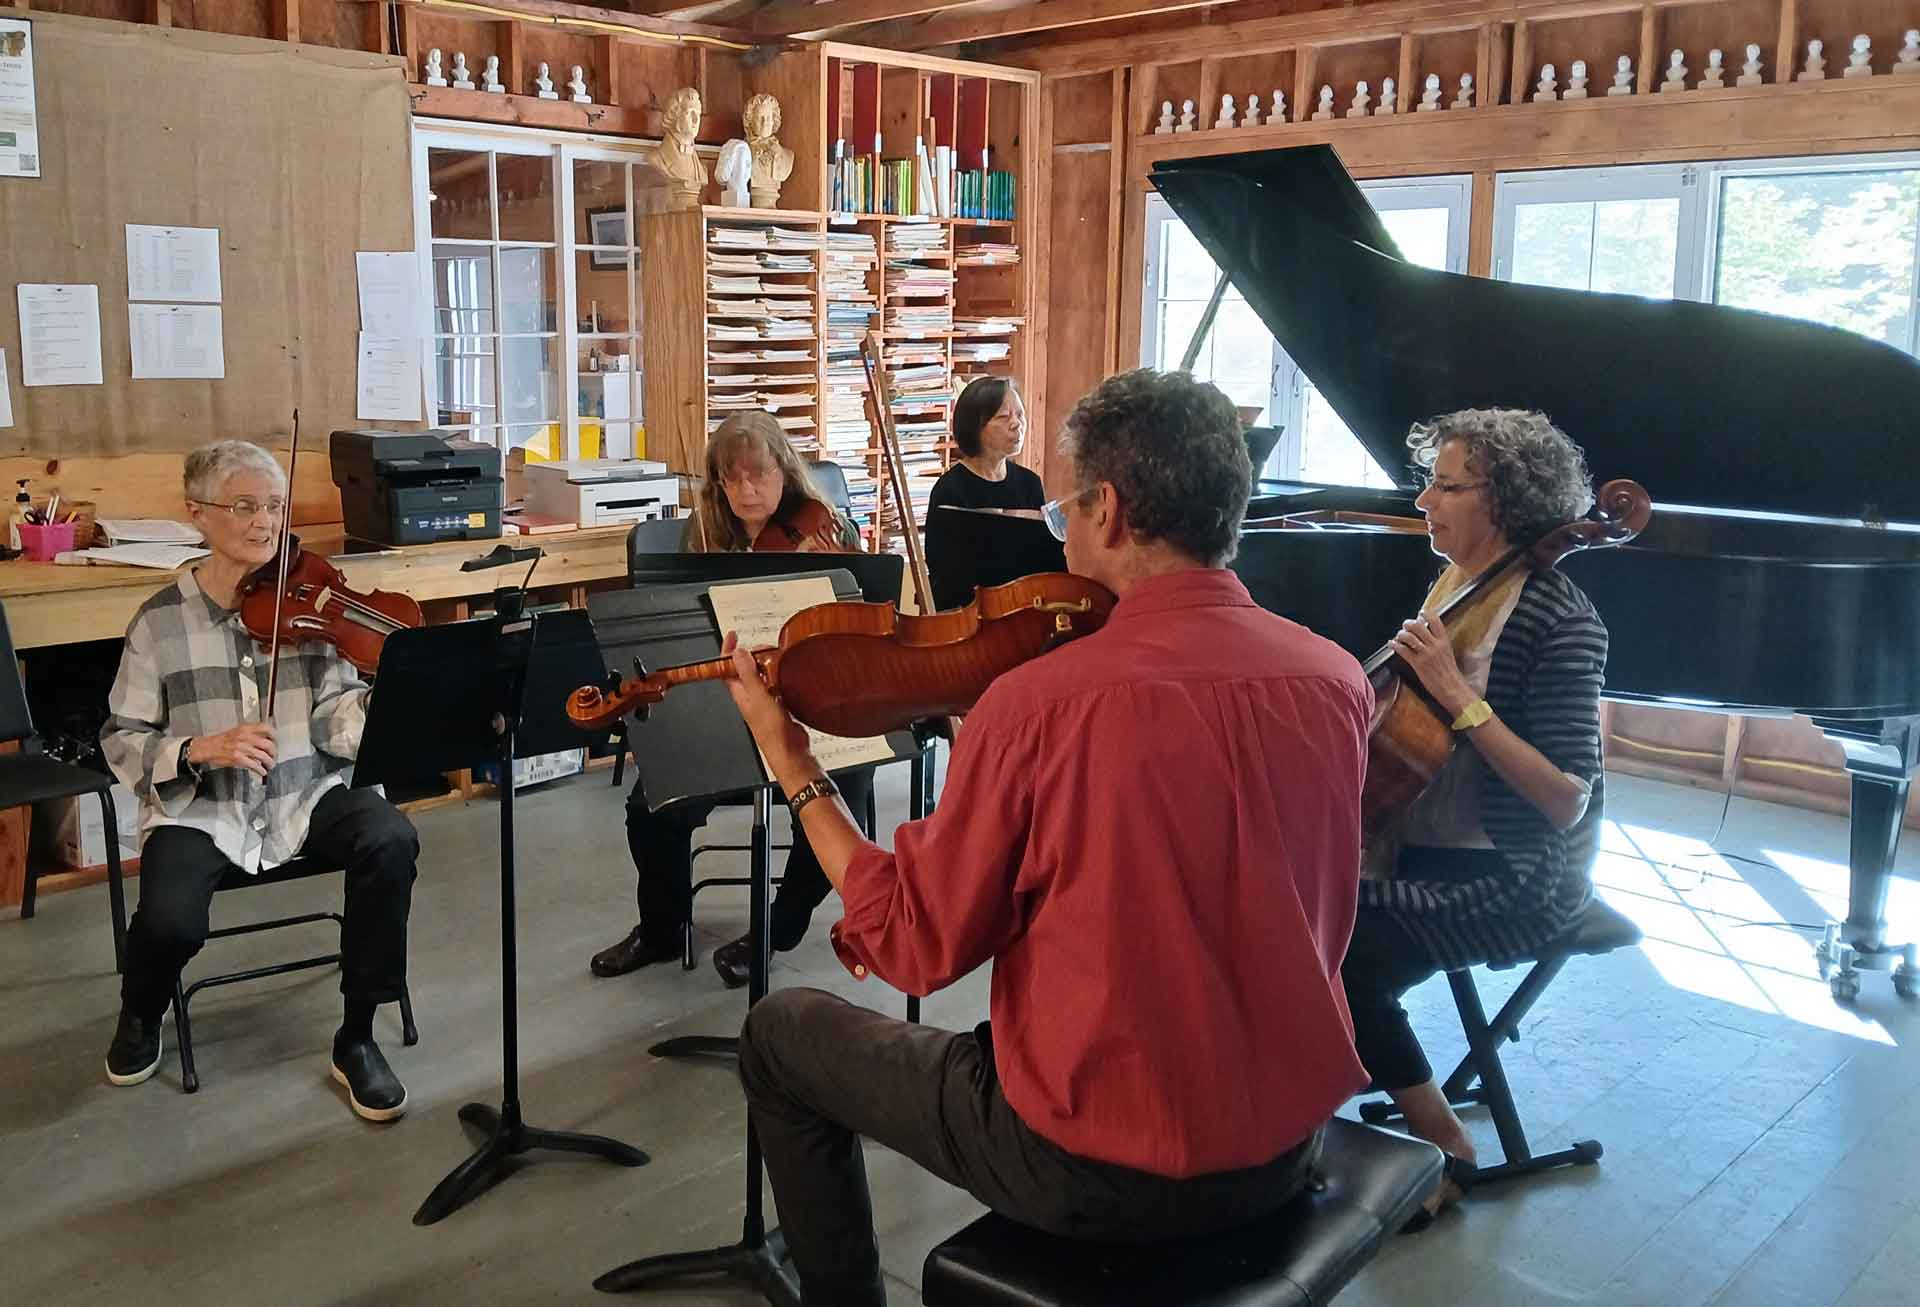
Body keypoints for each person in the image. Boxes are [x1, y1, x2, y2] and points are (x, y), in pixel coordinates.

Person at [715, 369, 1375, 1305]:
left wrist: (792, 763)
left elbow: (914, 942)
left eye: (1068, 503)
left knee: (783, 1032)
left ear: (1106, 509)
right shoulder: (1336, 679)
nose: (1062, 524)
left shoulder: (1036, 705)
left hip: (1096, 1162)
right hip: (1285, 1140)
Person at [1343, 408, 1608, 1225]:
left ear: (1504, 501)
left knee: (1342, 953)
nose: (1424, 500)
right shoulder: (1456, 584)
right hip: (1421, 844)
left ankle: (1446, 1142)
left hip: (1512, 874)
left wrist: (1459, 697)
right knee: (1285, 913)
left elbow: (1568, 798)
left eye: (1446, 486)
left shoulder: (1562, 621)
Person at [100, 440, 418, 1122]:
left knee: (391, 839)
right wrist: (197, 747)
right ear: (197, 514)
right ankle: (140, 1008)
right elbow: (120, 740)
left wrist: (382, 701)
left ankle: (357, 1035)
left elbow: (336, 723)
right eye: (244, 505)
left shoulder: (313, 602)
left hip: (310, 790)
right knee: (169, 919)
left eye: (273, 505)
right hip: (204, 806)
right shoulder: (158, 622)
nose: (265, 521)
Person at [591, 412, 876, 989]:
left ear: (785, 472)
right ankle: (663, 928)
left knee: (848, 802)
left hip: (813, 705)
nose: (747, 490)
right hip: (726, 703)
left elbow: (860, 631)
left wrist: (833, 570)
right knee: (649, 807)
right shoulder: (703, 540)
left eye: (760, 475)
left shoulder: (828, 531)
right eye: (732, 478)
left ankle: (775, 932)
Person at [923, 376, 1047, 611]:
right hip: (970, 615)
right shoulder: (949, 491)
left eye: (1020, 415)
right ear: (976, 425)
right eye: (1003, 417)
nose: (1017, 424)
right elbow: (945, 577)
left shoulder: (1030, 483)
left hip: (1024, 609)